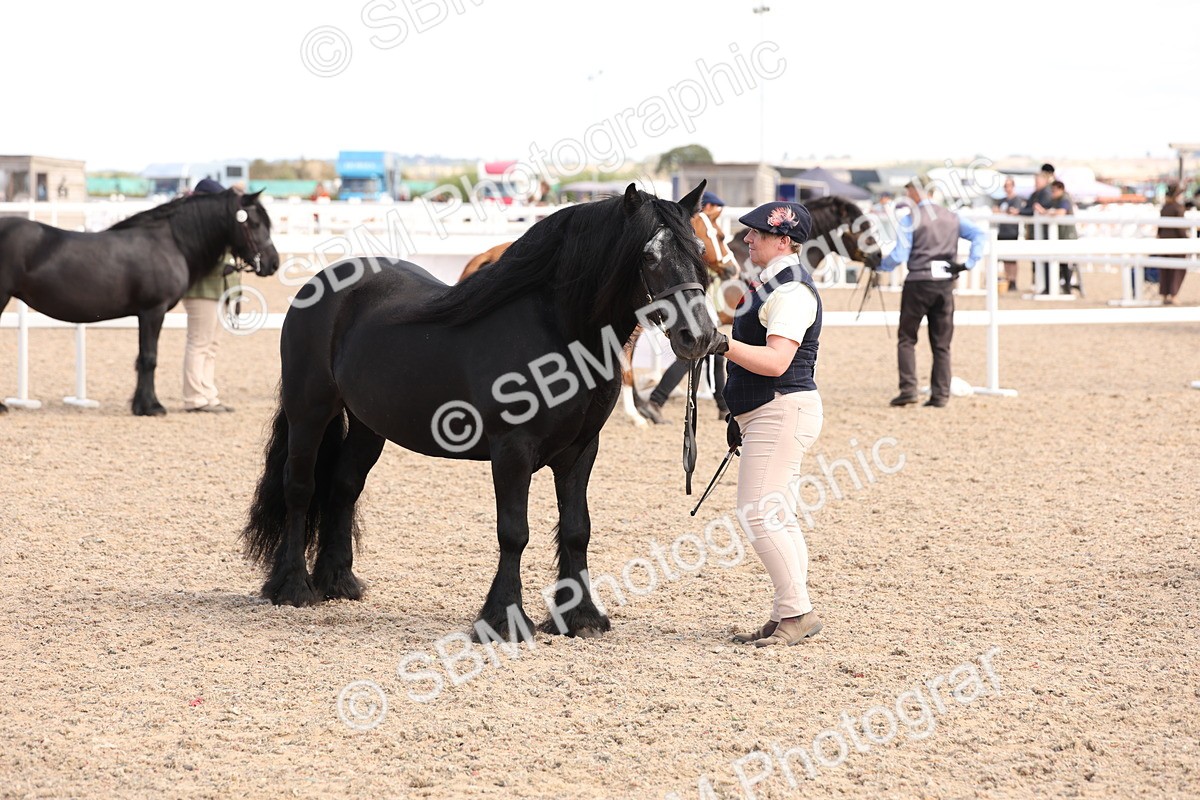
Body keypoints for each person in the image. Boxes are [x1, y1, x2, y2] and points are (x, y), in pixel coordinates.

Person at [708, 201, 825, 647]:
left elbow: (777, 361)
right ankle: (786, 613)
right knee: (777, 515)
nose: (748, 238)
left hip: (780, 408)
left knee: (757, 512)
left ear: (783, 240)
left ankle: (797, 612)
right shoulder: (770, 284)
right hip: (770, 410)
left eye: (757, 233)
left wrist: (721, 344)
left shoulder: (791, 291)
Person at [878, 177, 987, 408]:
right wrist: (969, 263)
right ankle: (940, 394)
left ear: (917, 191)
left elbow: (899, 255)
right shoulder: (952, 217)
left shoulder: (910, 219)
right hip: (945, 284)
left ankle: (908, 389)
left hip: (918, 282)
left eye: (909, 192)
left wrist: (880, 265)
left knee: (907, 338)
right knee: (942, 343)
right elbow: (979, 234)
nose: (908, 197)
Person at [643, 191, 739, 421]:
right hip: (690, 295)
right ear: (709, 207)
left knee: (706, 349)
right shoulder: (697, 223)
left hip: (693, 292)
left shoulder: (692, 224)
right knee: (699, 348)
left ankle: (721, 405)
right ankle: (658, 400)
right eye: (715, 207)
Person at [182, 177, 239, 412]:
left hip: (220, 289)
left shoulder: (212, 222)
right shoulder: (194, 225)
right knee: (199, 342)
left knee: (212, 345)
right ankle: (194, 397)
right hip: (202, 289)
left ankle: (208, 393)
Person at [1042, 179, 1079, 293]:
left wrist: (1046, 212)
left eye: (1054, 190)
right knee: (1062, 262)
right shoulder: (1057, 200)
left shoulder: (1064, 199)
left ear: (1060, 189)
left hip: (1067, 234)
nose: (1052, 193)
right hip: (1062, 234)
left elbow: (1061, 212)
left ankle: (1067, 286)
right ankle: (1064, 286)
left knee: (1065, 262)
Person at [1157, 183, 1189, 304]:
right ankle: (1174, 294)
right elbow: (1180, 229)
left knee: (1165, 269)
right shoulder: (1178, 208)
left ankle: (1165, 295)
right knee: (1177, 268)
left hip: (1163, 241)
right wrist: (1187, 239)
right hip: (1176, 242)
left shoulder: (1164, 207)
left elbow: (1159, 227)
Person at [994, 177, 1022, 292]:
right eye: (1005, 186)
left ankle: (1013, 280)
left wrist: (1002, 211)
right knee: (1005, 259)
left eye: (1008, 185)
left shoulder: (1017, 199)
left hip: (1012, 231)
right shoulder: (1002, 200)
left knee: (1012, 259)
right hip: (1002, 231)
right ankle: (1008, 279)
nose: (1007, 188)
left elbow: (1014, 211)